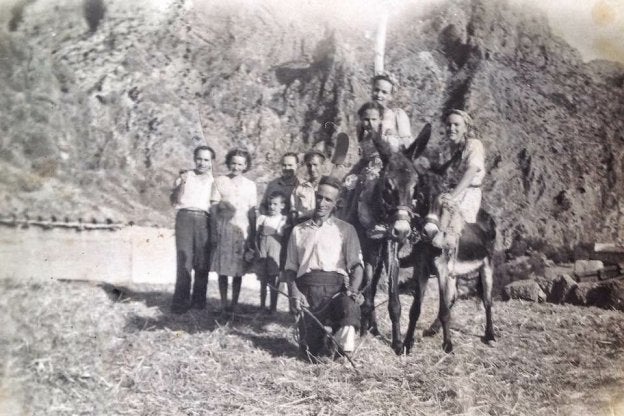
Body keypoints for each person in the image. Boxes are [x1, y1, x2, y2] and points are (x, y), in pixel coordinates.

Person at [283, 175, 364, 359]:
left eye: (328, 199)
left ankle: (343, 353)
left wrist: (352, 290)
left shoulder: (346, 230)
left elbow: (357, 267)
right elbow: (290, 269)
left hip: (336, 292)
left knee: (350, 308)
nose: (322, 203)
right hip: (307, 294)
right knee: (310, 354)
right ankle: (320, 341)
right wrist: (295, 293)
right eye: (319, 197)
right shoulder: (298, 231)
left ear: (337, 203)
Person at [424, 109, 485, 249]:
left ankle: (449, 249)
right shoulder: (447, 148)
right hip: (449, 191)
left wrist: (451, 196)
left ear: (466, 128)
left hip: (467, 192)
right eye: (448, 124)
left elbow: (471, 171)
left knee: (452, 217)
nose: (451, 128)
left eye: (456, 125)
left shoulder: (473, 145)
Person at [170, 145, 217, 314]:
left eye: (206, 160)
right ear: (194, 159)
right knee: (184, 261)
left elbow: (215, 206)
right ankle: (180, 303)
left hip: (205, 220)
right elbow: (174, 201)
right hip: (185, 218)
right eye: (199, 159)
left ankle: (198, 303)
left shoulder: (215, 181)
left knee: (202, 262)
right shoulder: (185, 176)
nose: (202, 163)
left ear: (211, 162)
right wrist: (182, 182)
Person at [210, 148, 258, 313]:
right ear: (229, 163)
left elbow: (252, 212)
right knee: (223, 268)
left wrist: (253, 234)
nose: (236, 167)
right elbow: (214, 209)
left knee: (238, 269)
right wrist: (214, 231)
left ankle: (235, 303)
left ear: (245, 166)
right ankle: (223, 303)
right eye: (233, 163)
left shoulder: (250, 185)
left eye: (240, 164)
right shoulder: (219, 181)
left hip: (242, 230)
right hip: (224, 229)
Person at [253, 191, 288, 313]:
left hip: (275, 252)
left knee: (274, 279)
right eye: (270, 204)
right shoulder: (263, 218)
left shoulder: (283, 220)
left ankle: (273, 307)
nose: (272, 207)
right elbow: (256, 236)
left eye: (275, 204)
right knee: (263, 280)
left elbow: (283, 238)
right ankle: (262, 306)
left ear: (282, 206)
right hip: (263, 252)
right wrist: (257, 250)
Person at [362, 72, 412, 152]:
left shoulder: (397, 115)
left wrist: (390, 141)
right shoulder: (366, 116)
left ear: (391, 96)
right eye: (376, 90)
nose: (379, 95)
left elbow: (408, 147)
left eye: (384, 92)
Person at [290, 150, 326, 223]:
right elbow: (293, 210)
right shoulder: (300, 188)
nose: (312, 169)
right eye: (309, 165)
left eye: (315, 165)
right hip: (301, 224)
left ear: (322, 165)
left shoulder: (328, 188)